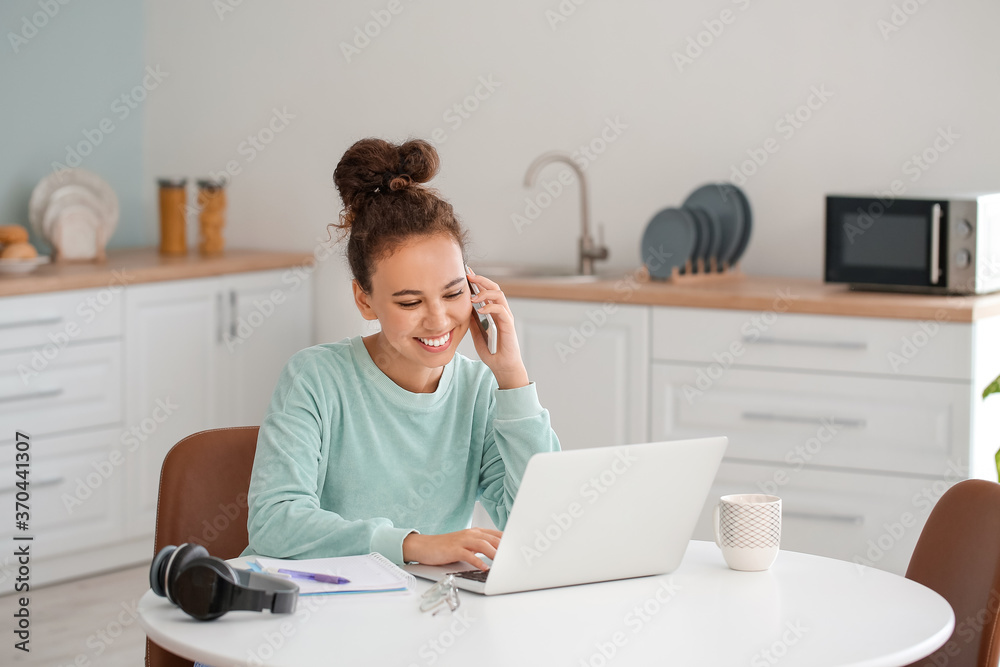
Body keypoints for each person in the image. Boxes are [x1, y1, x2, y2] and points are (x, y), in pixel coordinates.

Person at [239, 137, 562, 571]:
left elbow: (538, 524)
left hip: (424, 611)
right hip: (315, 608)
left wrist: (512, 377)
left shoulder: (479, 389)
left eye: (453, 293)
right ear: (365, 300)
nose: (438, 320)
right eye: (410, 302)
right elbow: (274, 523)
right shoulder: (315, 378)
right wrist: (413, 545)